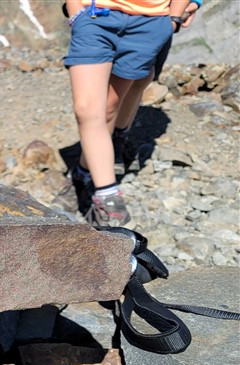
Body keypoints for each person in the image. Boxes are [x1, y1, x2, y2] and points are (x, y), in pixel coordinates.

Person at [64, 0, 190, 227]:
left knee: (109, 107)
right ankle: (108, 200)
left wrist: (173, 19)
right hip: (95, 16)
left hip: (149, 22)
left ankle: (82, 174)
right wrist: (75, 12)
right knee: (86, 109)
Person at [111, 0, 201, 175]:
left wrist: (192, 3)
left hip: (158, 15)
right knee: (113, 82)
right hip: (111, 13)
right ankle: (99, 153)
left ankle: (118, 140)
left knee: (141, 79)